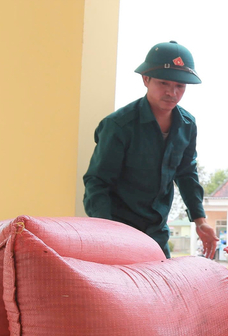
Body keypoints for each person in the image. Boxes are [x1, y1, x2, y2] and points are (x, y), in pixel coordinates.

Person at [83, 40, 218, 259]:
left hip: (157, 231)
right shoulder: (119, 126)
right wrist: (106, 232)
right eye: (163, 83)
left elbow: (186, 174)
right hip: (117, 231)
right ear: (146, 79)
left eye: (180, 86)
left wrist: (200, 221)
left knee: (160, 288)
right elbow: (97, 183)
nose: (172, 93)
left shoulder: (187, 125)